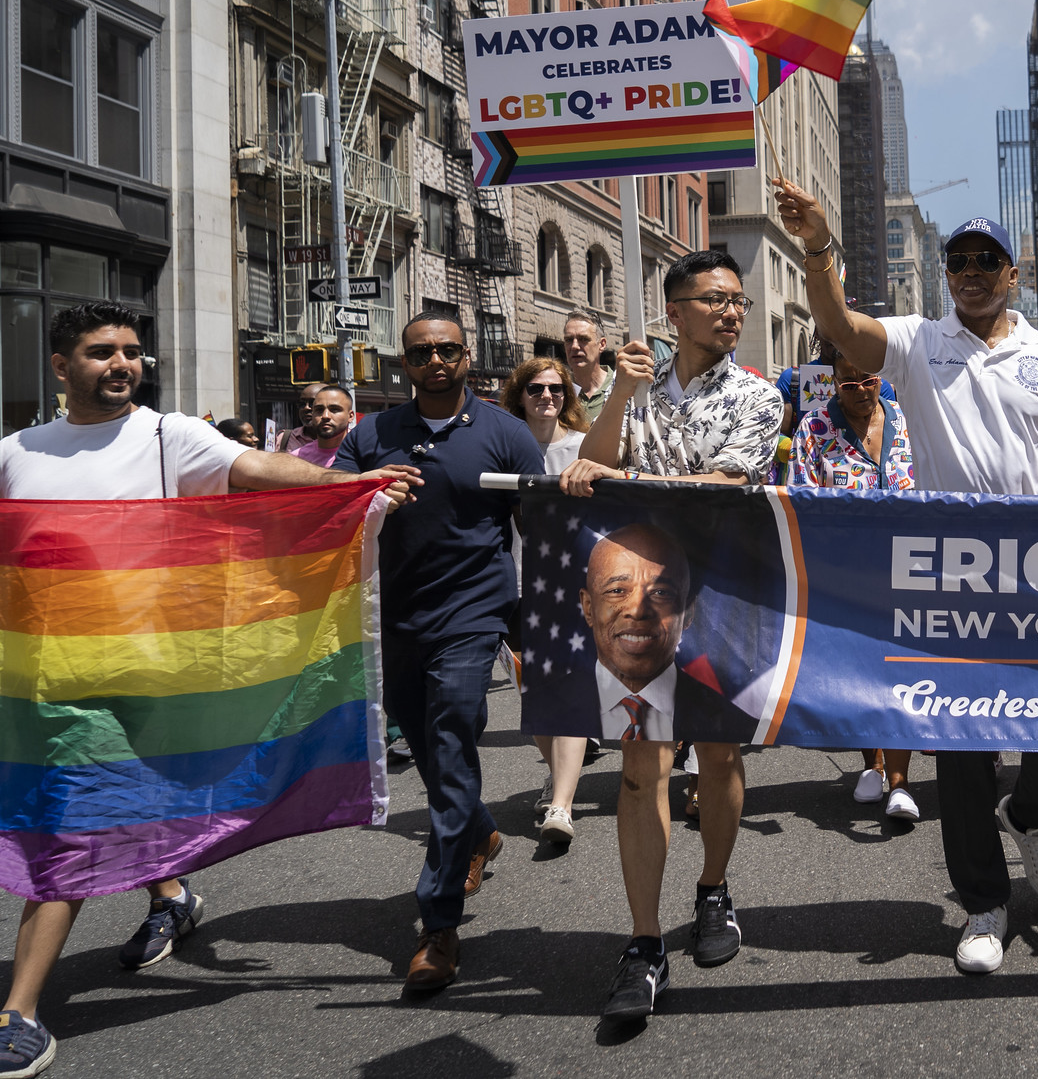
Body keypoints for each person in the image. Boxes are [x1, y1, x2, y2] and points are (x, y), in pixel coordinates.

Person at [0, 302, 415, 1078]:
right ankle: (124, 932)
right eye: (101, 352)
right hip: (53, 683)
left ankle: (26, 1008)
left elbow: (263, 471)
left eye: (132, 351)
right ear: (61, 366)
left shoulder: (170, 433)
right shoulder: (16, 452)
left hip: (161, 671)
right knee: (93, 810)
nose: (122, 363)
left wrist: (351, 484)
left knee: (89, 816)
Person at [773, 181, 1038, 977]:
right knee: (958, 742)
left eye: (988, 259)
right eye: (959, 260)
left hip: (1037, 575)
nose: (972, 271)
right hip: (949, 575)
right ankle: (984, 902)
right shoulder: (919, 341)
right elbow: (836, 325)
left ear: (1013, 273)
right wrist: (819, 245)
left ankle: (1030, 814)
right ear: (947, 274)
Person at [562, 248, 783, 1023]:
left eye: (738, 301)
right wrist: (619, 394)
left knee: (718, 754)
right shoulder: (636, 386)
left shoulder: (759, 398)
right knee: (638, 765)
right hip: (642, 602)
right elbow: (592, 465)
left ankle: (713, 886)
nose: (731, 312)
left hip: (724, 596)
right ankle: (645, 939)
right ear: (674, 311)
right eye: (715, 299)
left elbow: (725, 487)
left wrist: (633, 487)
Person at [333, 310, 546, 994]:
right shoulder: (371, 434)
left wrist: (537, 621)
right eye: (422, 351)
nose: (436, 360)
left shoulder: (505, 433)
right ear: (405, 362)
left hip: (473, 610)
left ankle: (438, 922)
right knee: (426, 745)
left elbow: (540, 528)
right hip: (395, 616)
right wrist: (370, 498)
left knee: (452, 736)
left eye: (448, 349)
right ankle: (479, 831)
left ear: (467, 355)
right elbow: (329, 507)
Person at [786, 342, 923, 821]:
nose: (864, 391)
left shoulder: (908, 420)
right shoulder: (814, 428)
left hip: (909, 569)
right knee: (864, 672)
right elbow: (801, 499)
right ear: (833, 380)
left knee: (902, 669)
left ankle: (902, 781)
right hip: (846, 574)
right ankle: (873, 763)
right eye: (850, 383)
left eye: (871, 380)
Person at [500, 358, 594, 846]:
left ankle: (562, 803)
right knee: (532, 693)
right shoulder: (500, 446)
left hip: (571, 584)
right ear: (520, 394)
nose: (546, 396)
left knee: (569, 689)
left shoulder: (583, 447)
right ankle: (557, 777)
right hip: (513, 585)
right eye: (535, 388)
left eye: (556, 388)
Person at [562, 311, 619, 423]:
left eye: (583, 339)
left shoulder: (618, 387)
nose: (574, 346)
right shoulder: (558, 392)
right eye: (569, 340)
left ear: (602, 344)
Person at [286, 384, 356, 469]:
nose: (325, 416)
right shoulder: (296, 459)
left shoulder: (366, 453)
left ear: (350, 416)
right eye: (319, 410)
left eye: (334, 410)